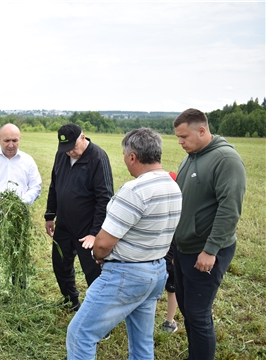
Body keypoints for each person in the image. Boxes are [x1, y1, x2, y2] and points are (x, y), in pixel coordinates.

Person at [66, 127, 182, 360]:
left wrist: (98, 254)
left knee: (80, 333)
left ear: (132, 157)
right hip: (156, 271)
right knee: (142, 342)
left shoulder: (134, 190)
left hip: (126, 274)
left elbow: (103, 244)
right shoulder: (173, 185)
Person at [172, 108, 246, 360]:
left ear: (201, 130)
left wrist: (210, 250)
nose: (180, 142)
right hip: (184, 249)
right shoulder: (191, 157)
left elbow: (230, 209)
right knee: (187, 309)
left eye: (183, 137)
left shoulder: (226, 160)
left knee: (198, 312)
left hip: (205, 252)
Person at [44, 123, 114, 311]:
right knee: (60, 265)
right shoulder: (62, 154)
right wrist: (50, 215)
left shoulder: (98, 158)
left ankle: (99, 314)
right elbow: (54, 186)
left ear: (83, 138)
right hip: (64, 225)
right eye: (65, 149)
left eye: (72, 148)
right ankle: (70, 301)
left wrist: (95, 233)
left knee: (93, 273)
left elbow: (105, 198)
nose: (69, 153)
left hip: (87, 229)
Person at [0, 123, 42, 292]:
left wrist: (21, 203)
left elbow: (36, 186)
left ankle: (19, 290)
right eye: (6, 140)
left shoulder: (28, 161)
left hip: (18, 215)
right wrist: (0, 202)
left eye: (15, 140)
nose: (11, 145)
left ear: (19, 140)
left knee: (18, 254)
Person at [161, 171, 179, 334]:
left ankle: (170, 320)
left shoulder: (181, 208)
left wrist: (175, 258)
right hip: (158, 254)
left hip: (172, 253)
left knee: (172, 289)